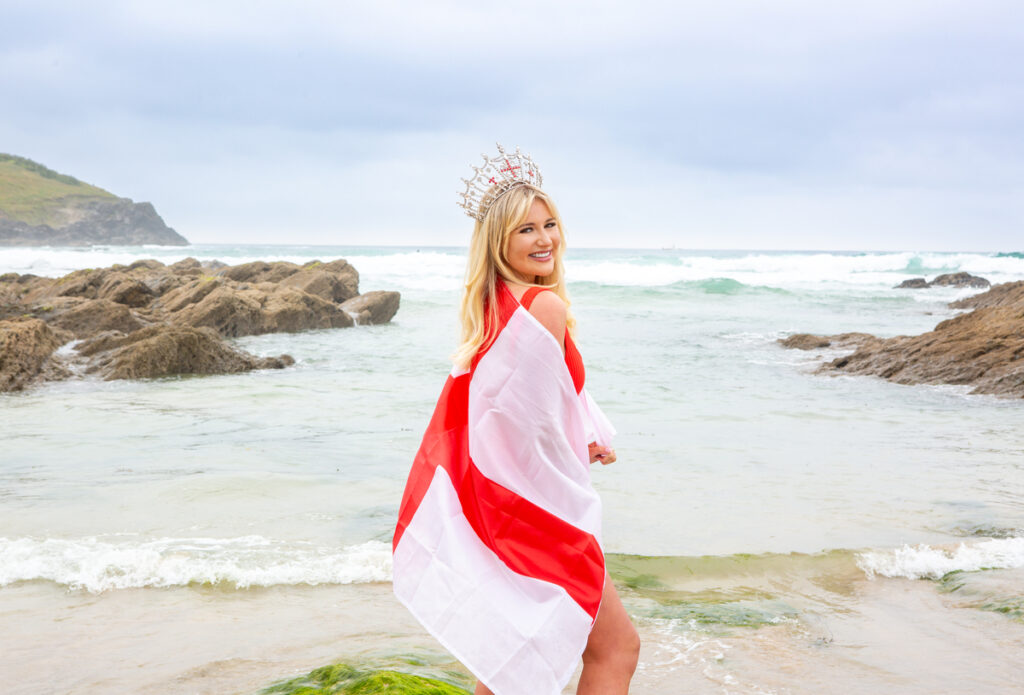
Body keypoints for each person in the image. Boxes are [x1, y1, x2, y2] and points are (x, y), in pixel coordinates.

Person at [393, 145, 639, 695]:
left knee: (515, 664)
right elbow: (539, 425)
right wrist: (579, 444)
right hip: (541, 512)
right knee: (616, 650)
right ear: (499, 241)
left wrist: (589, 432)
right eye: (526, 230)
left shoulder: (494, 306)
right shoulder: (542, 307)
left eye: (550, 224)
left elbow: (518, 408)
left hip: (502, 509)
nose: (545, 239)